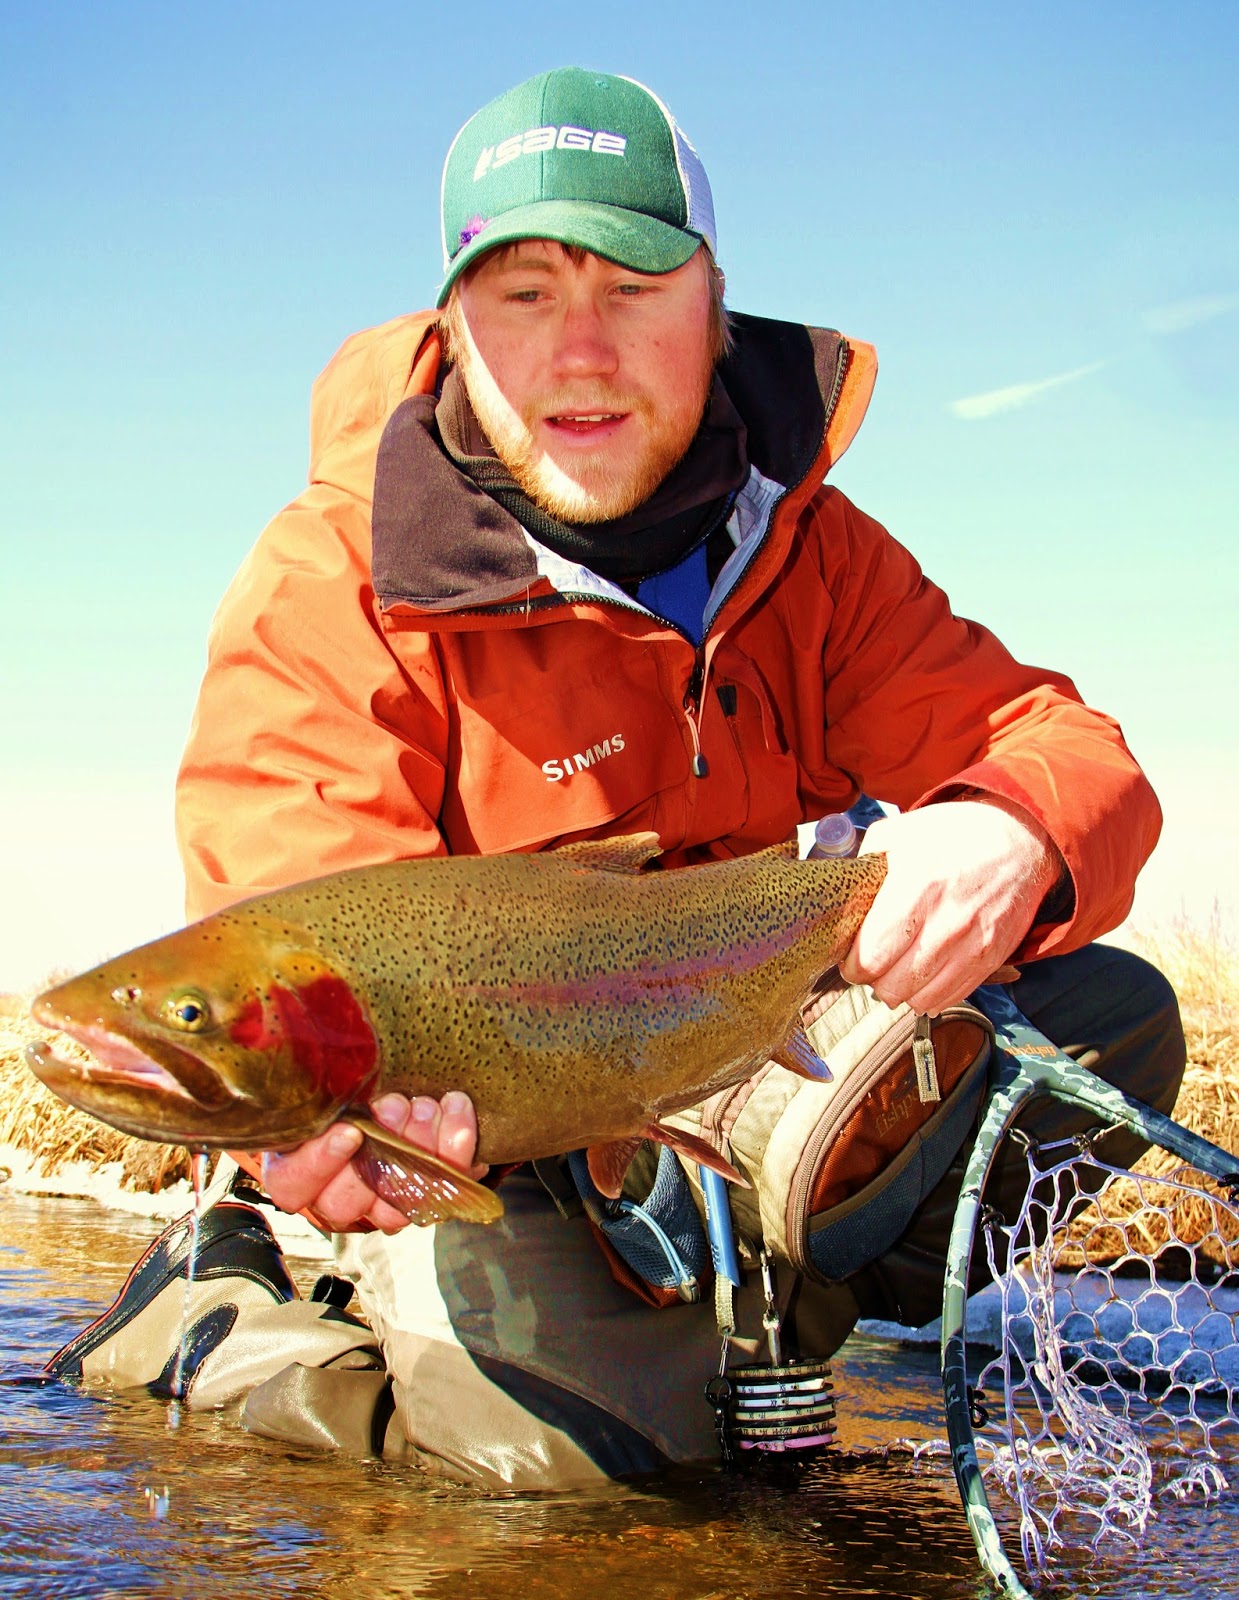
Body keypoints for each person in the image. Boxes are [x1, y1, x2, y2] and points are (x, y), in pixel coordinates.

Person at [49, 67, 1184, 1486]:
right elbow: (301, 926)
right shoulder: (333, 581)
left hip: (743, 1045)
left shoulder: (815, 550)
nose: (579, 353)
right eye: (521, 297)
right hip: (514, 1137)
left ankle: (770, 1321)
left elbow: (1076, 755)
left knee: (1112, 1029)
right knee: (565, 1483)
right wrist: (311, 1149)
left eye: (635, 290)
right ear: (453, 325)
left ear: (715, 305)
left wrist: (1007, 830)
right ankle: (230, 1313)